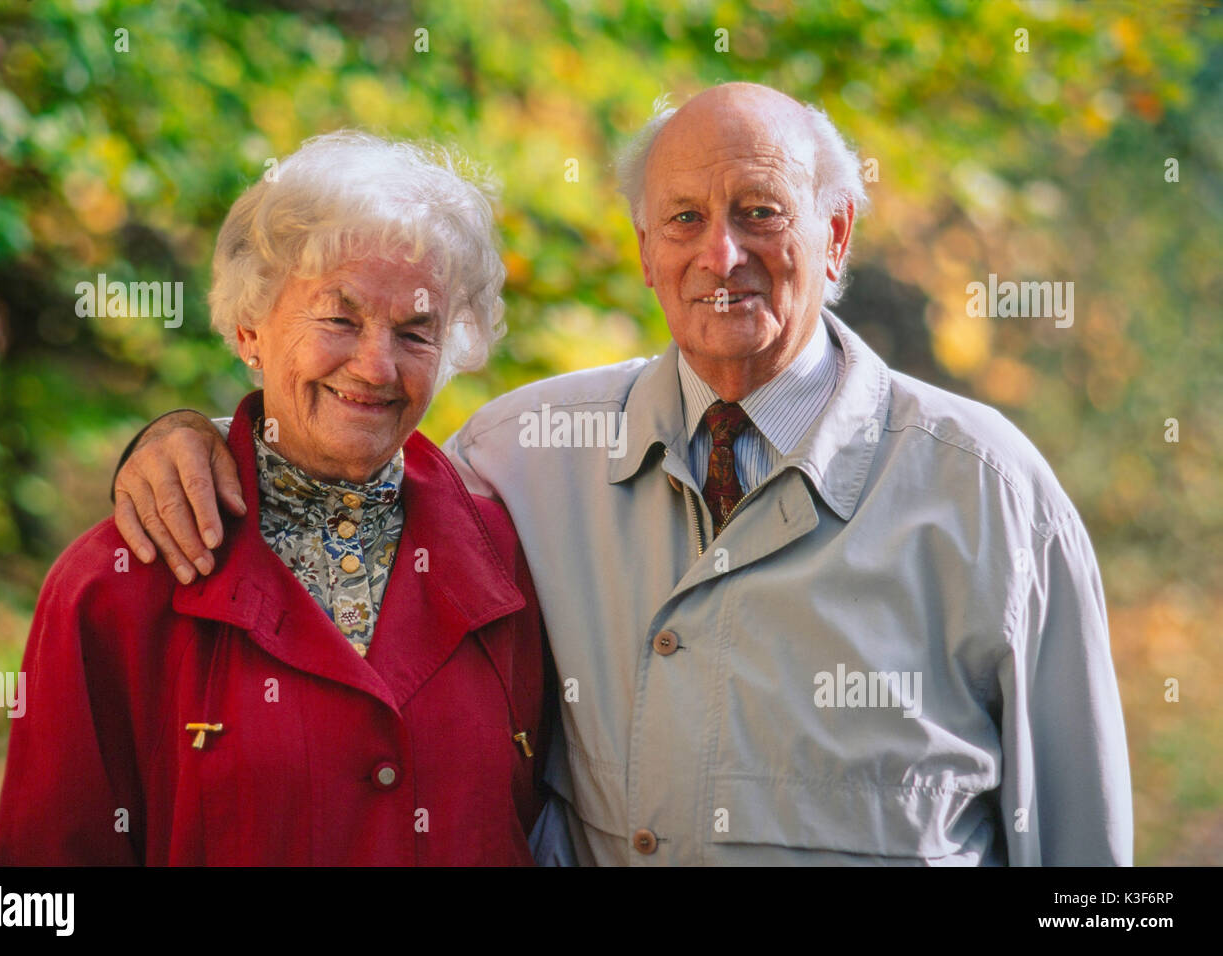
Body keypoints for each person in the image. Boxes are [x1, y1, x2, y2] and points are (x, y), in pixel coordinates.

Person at [107, 84, 1134, 866]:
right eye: (683, 218)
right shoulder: (522, 452)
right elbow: (349, 451)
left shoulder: (987, 489)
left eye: (760, 211)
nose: (719, 252)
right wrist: (187, 432)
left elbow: (1084, 847)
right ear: (644, 250)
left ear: (835, 233)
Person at [0, 130, 547, 866]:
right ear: (251, 328)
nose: (376, 365)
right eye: (339, 318)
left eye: (416, 330)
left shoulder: (511, 555)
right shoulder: (113, 583)